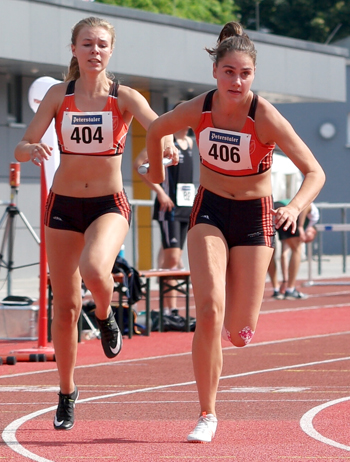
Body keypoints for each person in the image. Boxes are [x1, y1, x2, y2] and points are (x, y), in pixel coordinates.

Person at [146, 21, 325, 443]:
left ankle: (236, 320)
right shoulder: (199, 108)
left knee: (241, 333)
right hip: (209, 210)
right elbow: (155, 129)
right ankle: (207, 413)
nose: (236, 80)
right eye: (229, 71)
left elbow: (314, 171)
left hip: (255, 217)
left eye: (244, 73)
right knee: (207, 310)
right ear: (215, 72)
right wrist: (158, 172)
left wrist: (296, 207)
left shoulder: (265, 116)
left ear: (253, 75)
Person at [14, 16, 176, 431]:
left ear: (110, 50)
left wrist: (167, 148)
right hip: (63, 207)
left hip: (108, 203)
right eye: (87, 44)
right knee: (64, 307)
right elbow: (21, 144)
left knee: (94, 268)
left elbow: (160, 127)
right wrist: (30, 149)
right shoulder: (59, 95)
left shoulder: (124, 97)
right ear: (74, 50)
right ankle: (67, 392)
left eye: (102, 44)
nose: (94, 51)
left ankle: (105, 316)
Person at [134, 106, 194, 313]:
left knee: (174, 257)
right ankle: (170, 309)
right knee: (173, 258)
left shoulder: (191, 143)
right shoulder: (166, 140)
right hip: (168, 207)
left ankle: (169, 306)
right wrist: (160, 192)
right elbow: (139, 164)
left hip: (186, 206)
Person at [269, 202, 319, 299]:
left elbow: (284, 254)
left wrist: (285, 280)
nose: (304, 239)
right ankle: (290, 289)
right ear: (314, 231)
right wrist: (300, 226)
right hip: (284, 211)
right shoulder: (315, 218)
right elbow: (307, 205)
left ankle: (276, 289)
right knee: (297, 249)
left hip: (272, 209)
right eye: (308, 238)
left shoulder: (303, 226)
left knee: (270, 251)